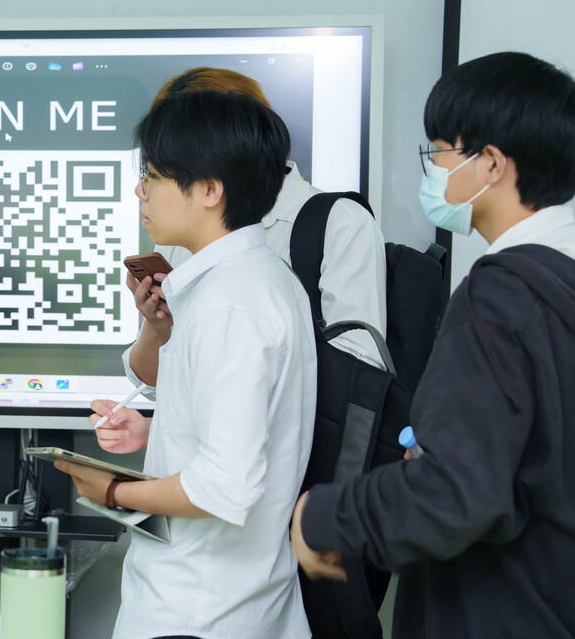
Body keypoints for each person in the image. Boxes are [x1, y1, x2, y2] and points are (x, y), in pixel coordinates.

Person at [290, 51, 575, 637]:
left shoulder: (500, 296)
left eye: (440, 150)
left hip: (499, 610)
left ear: (490, 163)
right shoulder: (560, 282)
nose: (434, 168)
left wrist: (323, 515)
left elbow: (455, 491)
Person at [54, 89, 318, 638]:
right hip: (227, 597)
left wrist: (111, 491)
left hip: (200, 611)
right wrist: (159, 429)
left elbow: (224, 486)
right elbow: (244, 434)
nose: (140, 191)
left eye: (152, 176)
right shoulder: (252, 279)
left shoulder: (230, 304)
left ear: (210, 190)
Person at [123, 67, 386, 404]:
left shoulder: (340, 223)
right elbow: (160, 390)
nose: (142, 189)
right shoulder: (181, 232)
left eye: (158, 172)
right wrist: (158, 326)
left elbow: (361, 371)